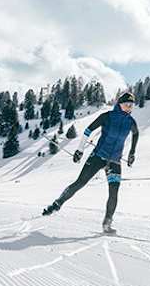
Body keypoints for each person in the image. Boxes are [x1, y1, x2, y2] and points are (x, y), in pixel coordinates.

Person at [42, 91, 138, 234]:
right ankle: (57, 203)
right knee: (80, 183)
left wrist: (132, 153)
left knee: (114, 193)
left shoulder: (131, 122)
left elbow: (136, 134)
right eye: (126, 105)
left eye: (131, 106)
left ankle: (107, 223)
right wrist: (80, 150)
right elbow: (88, 130)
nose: (129, 108)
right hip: (98, 157)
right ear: (119, 104)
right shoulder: (107, 117)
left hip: (114, 161)